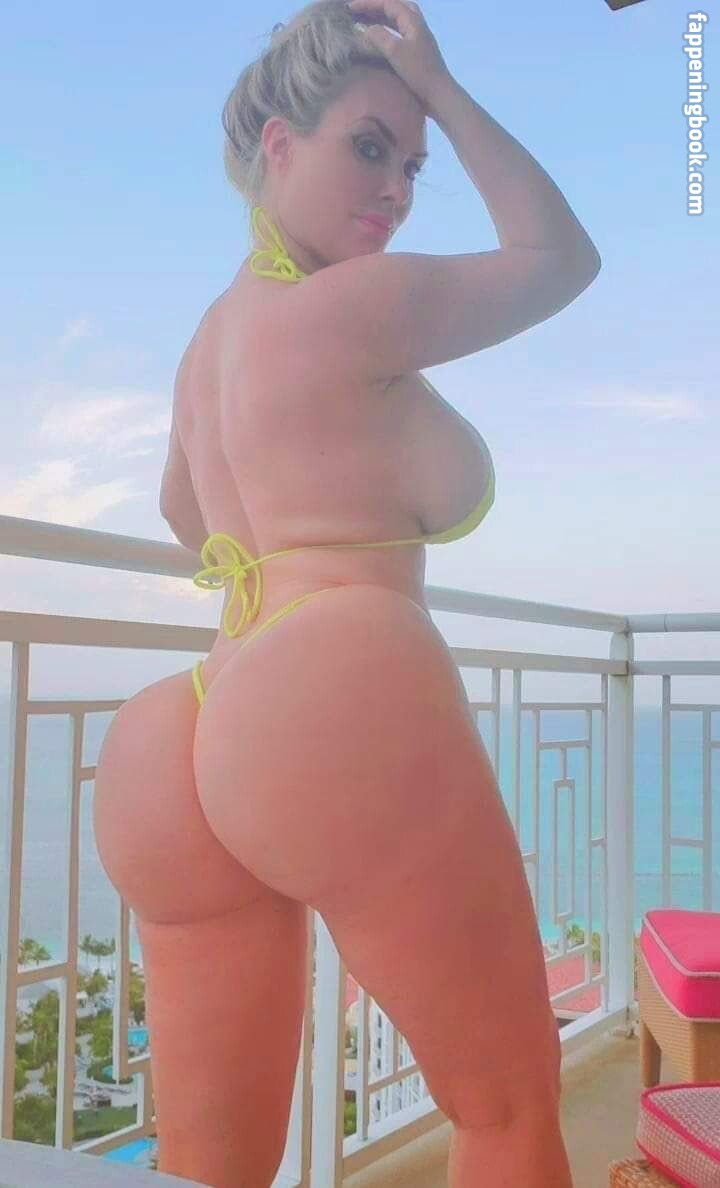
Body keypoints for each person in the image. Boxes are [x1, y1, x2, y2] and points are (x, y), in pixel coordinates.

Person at [92, 2, 600, 1185]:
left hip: (188, 725)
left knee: (207, 1162)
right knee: (507, 1109)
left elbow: (183, 512)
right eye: (370, 146)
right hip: (334, 687)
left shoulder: (210, 343)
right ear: (278, 146)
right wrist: (448, 90)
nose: (397, 189)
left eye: (415, 164)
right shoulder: (351, 308)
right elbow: (559, 258)